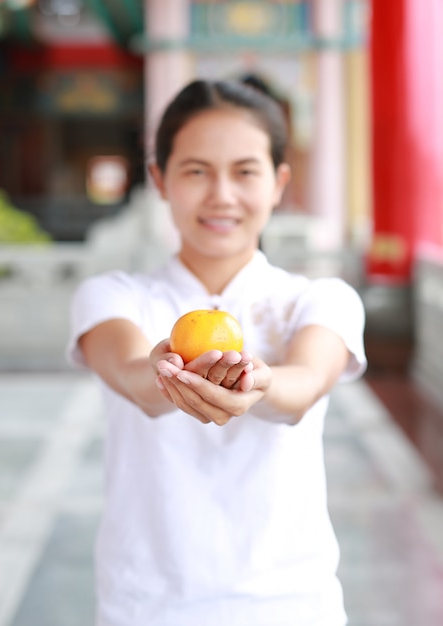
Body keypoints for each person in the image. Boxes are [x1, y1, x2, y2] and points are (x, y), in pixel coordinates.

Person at [67, 79, 366, 626]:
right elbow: (133, 376)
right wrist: (164, 374)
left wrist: (263, 383)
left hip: (291, 603)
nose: (222, 195)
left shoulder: (321, 298)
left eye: (245, 171)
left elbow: (303, 385)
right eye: (196, 171)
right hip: (146, 604)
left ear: (278, 182)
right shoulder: (115, 296)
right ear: (160, 178)